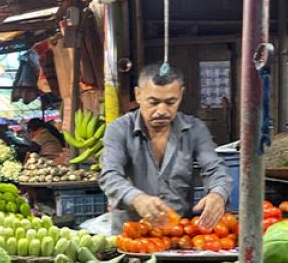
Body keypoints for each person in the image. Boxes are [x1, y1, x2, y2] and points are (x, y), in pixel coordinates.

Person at [99, 63, 233, 235]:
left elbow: (215, 167)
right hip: (133, 235)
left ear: (181, 94)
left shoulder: (195, 129)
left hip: (178, 234)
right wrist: (136, 198)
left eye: (171, 102)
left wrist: (218, 194)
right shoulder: (119, 129)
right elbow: (109, 175)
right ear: (138, 95)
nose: (161, 111)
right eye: (153, 102)